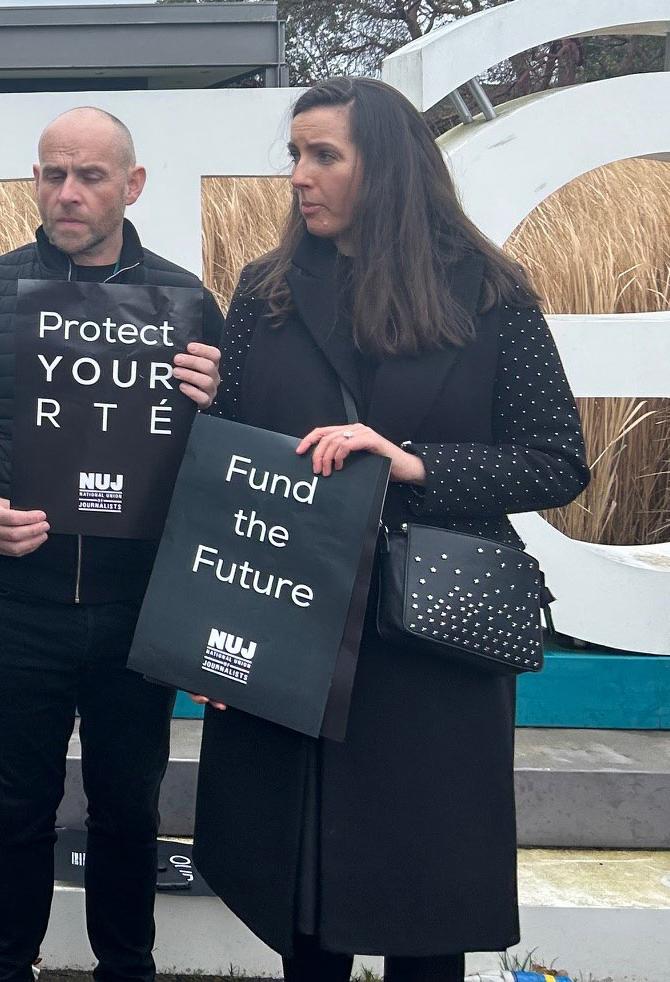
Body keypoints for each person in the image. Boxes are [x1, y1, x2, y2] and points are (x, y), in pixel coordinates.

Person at [194, 77, 589, 982]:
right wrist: (213, 641)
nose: (299, 176)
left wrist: (411, 463)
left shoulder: (489, 293)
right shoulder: (267, 292)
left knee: (425, 919)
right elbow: (236, 462)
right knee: (303, 915)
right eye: (294, 154)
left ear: (390, 166)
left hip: (431, 648)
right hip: (294, 626)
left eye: (323, 155)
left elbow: (557, 462)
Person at [0, 106, 223, 982]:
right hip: (20, 604)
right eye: (52, 173)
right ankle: (4, 968)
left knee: (129, 810)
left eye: (90, 176)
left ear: (132, 186)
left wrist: (220, 397)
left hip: (138, 608)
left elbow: (228, 462)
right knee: (18, 806)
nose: (68, 192)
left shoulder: (188, 302)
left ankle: (127, 969)